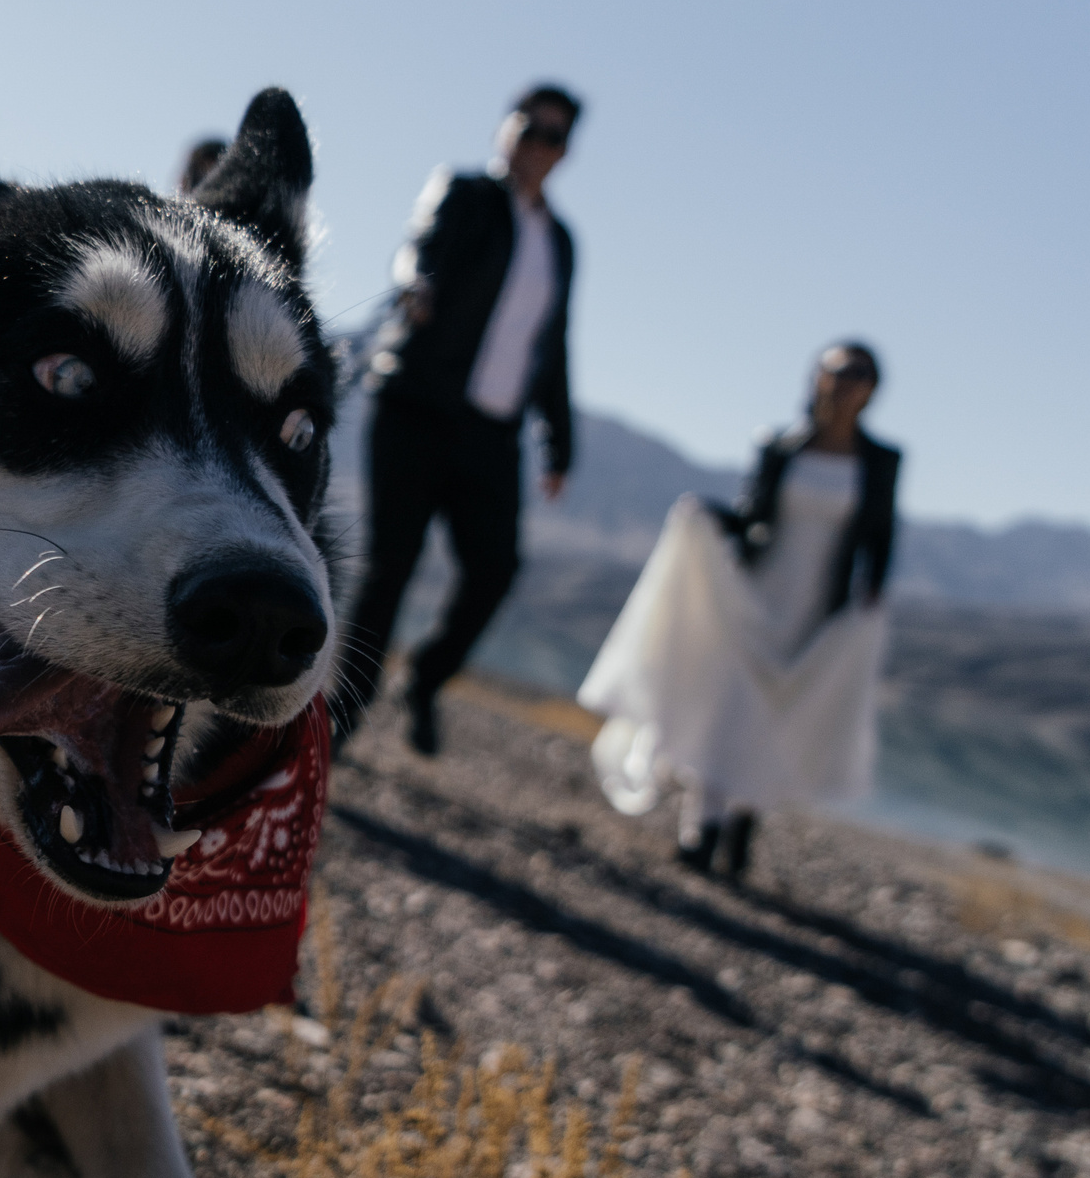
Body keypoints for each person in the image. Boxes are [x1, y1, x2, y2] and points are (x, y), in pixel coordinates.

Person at [574, 342, 901, 882]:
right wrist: (705, 520)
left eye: (858, 375)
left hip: (819, 605)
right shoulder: (781, 446)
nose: (845, 384)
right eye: (837, 372)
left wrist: (871, 593)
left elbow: (880, 534)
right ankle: (700, 827)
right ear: (817, 378)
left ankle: (744, 824)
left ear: (871, 388)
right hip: (755, 597)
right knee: (732, 706)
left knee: (781, 714)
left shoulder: (880, 463)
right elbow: (753, 516)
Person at [333, 84, 583, 755]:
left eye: (554, 136)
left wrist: (560, 442)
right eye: (530, 127)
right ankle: (340, 721)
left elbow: (553, 344)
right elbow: (418, 248)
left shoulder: (559, 242)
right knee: (392, 566)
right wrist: (417, 283)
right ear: (507, 128)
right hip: (417, 404)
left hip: (492, 433)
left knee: (495, 569)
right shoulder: (467, 193)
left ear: (565, 153)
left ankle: (427, 677)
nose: (538, 145)